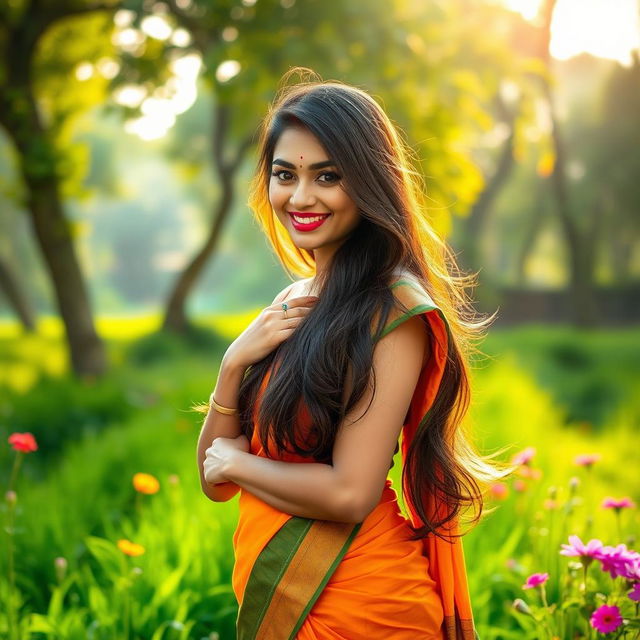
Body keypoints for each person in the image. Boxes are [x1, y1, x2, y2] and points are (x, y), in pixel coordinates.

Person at [195, 69, 510, 640]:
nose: (301, 197)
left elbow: (349, 492)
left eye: (328, 176)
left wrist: (239, 463)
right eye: (284, 175)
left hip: (367, 606)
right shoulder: (290, 301)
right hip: (285, 595)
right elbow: (210, 479)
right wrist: (233, 365)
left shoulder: (393, 315)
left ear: (368, 182)